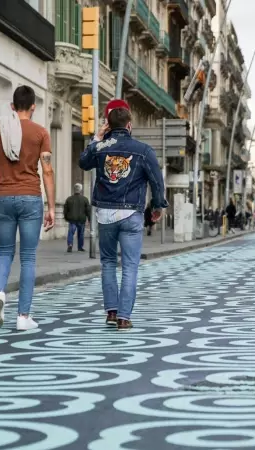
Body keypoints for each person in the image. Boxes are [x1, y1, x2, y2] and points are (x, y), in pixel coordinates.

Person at [79, 99, 167, 331]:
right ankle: (124, 318)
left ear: (107, 125)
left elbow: (83, 162)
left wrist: (97, 138)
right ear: (129, 125)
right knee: (129, 266)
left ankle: (111, 311)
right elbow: (157, 182)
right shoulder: (144, 150)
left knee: (108, 262)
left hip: (105, 214)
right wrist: (157, 207)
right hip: (131, 215)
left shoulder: (100, 148)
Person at [0, 85, 55, 331]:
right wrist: (52, 207)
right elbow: (47, 170)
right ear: (33, 107)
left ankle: (0, 293)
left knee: (3, 252)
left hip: (2, 196)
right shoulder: (41, 133)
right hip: (30, 198)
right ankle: (23, 317)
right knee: (28, 257)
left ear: (12, 106)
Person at [63, 183, 90, 252]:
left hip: (72, 219)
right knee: (80, 233)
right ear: (81, 190)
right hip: (81, 219)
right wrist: (89, 219)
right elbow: (88, 210)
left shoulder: (69, 199)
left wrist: (66, 217)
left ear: (74, 189)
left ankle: (70, 244)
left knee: (71, 232)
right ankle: (80, 247)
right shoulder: (85, 199)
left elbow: (65, 210)